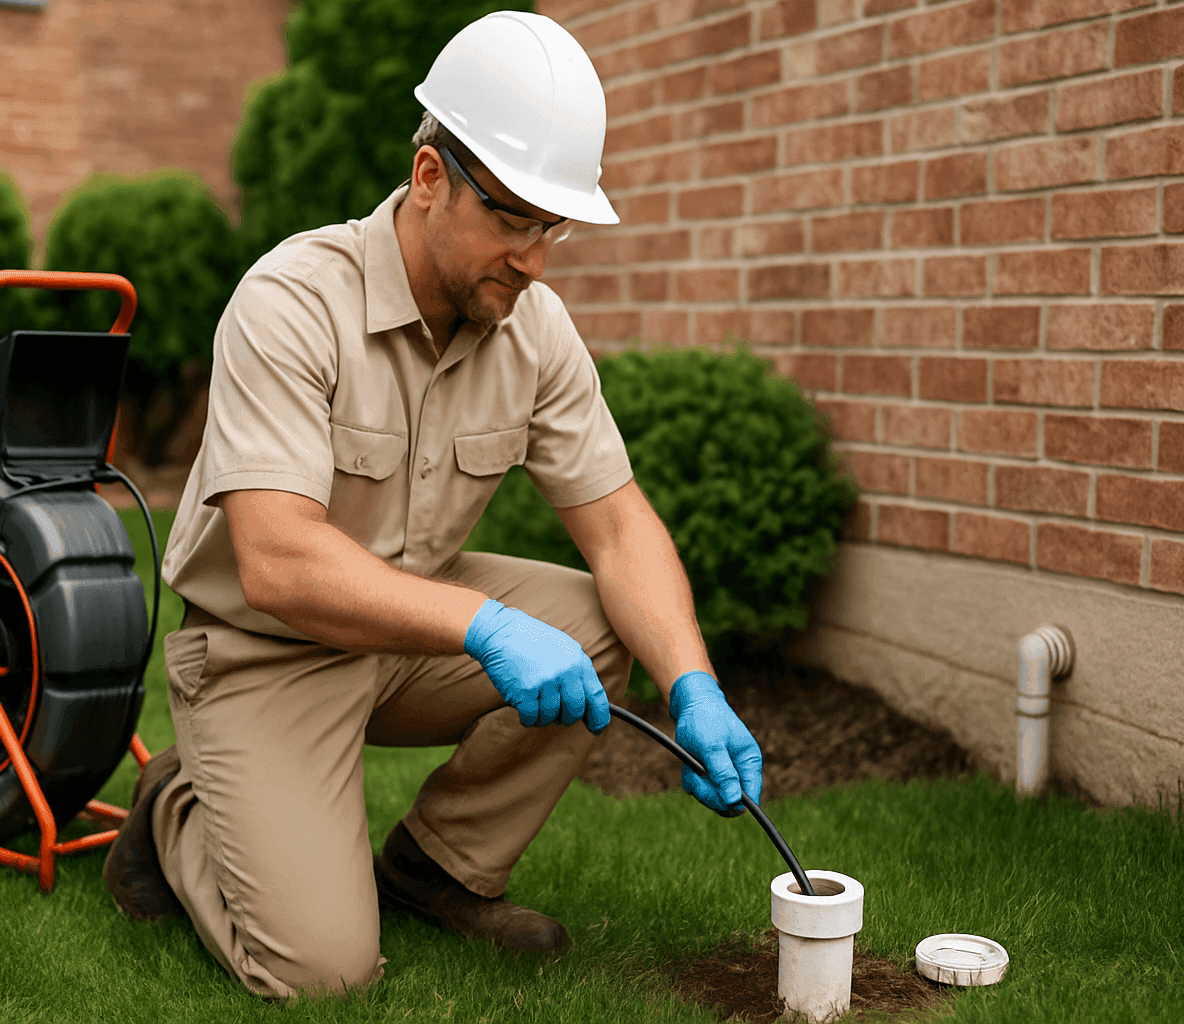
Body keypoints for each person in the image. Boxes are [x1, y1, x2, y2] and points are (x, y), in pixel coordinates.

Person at [102, 10, 764, 1001]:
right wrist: (486, 625)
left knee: (598, 625)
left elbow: (620, 524)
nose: (535, 259)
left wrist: (695, 688)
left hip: (411, 630)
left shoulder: (533, 330)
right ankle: (174, 811)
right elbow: (278, 559)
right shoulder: (291, 304)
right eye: (510, 220)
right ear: (428, 180)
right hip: (261, 652)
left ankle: (438, 869)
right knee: (321, 971)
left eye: (553, 226)